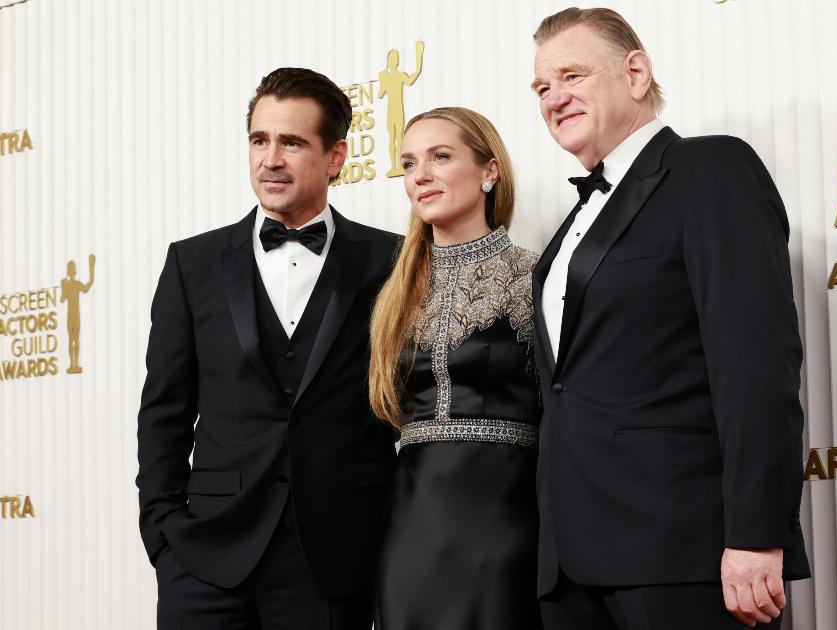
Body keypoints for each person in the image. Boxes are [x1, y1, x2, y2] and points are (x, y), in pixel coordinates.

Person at [529, 8, 811, 629]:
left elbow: (755, 364)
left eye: (572, 75)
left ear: (635, 73)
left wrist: (758, 535)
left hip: (684, 551)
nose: (554, 98)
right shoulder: (571, 226)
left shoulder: (710, 171)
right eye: (542, 87)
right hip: (571, 563)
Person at [136, 67, 399, 629]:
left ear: (336, 157)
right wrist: (163, 535)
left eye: (293, 142)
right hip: (205, 558)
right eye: (260, 140)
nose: (271, 159)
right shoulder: (193, 264)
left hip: (334, 561)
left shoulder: (391, 262)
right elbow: (164, 410)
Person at [370, 106, 543, 630]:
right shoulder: (392, 292)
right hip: (411, 521)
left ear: (490, 171)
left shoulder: (537, 276)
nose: (419, 174)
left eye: (440, 157)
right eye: (408, 163)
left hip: (507, 517)